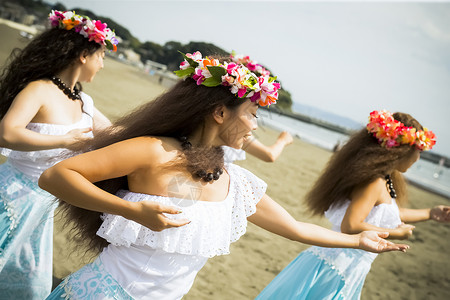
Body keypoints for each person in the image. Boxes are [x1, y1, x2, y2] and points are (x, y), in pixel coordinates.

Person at [39, 53, 408, 299]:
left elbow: (295, 228)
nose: (255, 126)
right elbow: (56, 176)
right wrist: (130, 211)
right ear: (219, 112)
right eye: (252, 114)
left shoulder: (234, 181)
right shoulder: (155, 150)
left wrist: (359, 241)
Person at [256, 110, 449, 299]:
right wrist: (400, 233)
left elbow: (388, 213)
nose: (418, 158)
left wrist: (430, 213)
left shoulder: (384, 179)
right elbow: (351, 225)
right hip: (337, 266)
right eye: (418, 152)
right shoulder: (374, 182)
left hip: (346, 266)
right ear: (401, 149)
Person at [0, 10, 119, 298]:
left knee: (30, 287)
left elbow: (115, 134)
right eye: (101, 56)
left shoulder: (84, 102)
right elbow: (7, 133)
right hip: (10, 196)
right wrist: (65, 140)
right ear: (83, 55)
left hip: (42, 207)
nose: (102, 64)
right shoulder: (39, 89)